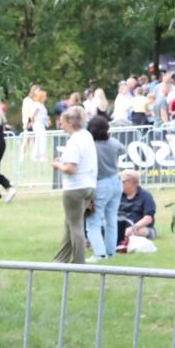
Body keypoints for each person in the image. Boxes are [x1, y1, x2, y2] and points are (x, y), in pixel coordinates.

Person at [51, 106, 97, 264]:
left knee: (75, 226)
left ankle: (79, 262)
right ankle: (60, 259)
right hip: (89, 186)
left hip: (75, 188)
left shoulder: (74, 141)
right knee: (70, 223)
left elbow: (71, 169)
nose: (61, 125)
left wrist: (58, 165)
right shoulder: (87, 136)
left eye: (62, 122)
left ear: (70, 121)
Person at [84, 116, 124, 261]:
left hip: (100, 183)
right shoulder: (113, 142)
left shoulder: (91, 146)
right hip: (115, 181)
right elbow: (123, 150)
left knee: (93, 222)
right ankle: (110, 252)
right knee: (111, 220)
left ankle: (100, 254)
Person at [118, 169, 157, 243]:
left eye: (122, 182)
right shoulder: (118, 196)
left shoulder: (146, 195)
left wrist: (132, 228)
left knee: (140, 231)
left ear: (131, 182)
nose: (119, 184)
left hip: (140, 228)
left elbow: (148, 218)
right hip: (121, 226)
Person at [31, 89, 49, 162]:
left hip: (41, 124)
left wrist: (47, 122)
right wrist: (33, 123)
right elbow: (32, 115)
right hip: (38, 124)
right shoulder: (37, 105)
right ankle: (42, 155)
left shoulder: (41, 105)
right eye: (45, 96)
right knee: (42, 138)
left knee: (39, 140)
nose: (46, 98)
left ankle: (35, 156)